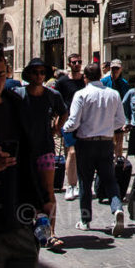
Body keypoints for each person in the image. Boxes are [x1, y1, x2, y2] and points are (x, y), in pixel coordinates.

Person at [0, 40, 48, 268]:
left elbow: (29, 157)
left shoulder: (16, 104)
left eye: (0, 74)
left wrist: (42, 203)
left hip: (20, 227)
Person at [63, 62, 128, 237]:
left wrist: (65, 128)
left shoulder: (81, 94)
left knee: (85, 181)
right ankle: (117, 209)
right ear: (100, 75)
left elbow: (74, 121)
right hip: (106, 142)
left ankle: (85, 220)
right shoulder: (113, 94)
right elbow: (121, 121)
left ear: (85, 77)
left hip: (86, 143)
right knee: (110, 179)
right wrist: (107, 127)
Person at [15, 58, 68, 250]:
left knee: (48, 190)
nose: (39, 76)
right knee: (25, 189)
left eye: (42, 73)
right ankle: (30, 227)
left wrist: (56, 128)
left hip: (45, 148)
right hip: (23, 152)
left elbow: (64, 112)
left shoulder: (52, 95)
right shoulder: (18, 95)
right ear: (28, 75)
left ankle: (51, 233)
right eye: (35, 72)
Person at [54, 52, 85, 201]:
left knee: (81, 154)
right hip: (68, 121)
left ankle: (79, 183)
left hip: (85, 122)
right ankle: (71, 185)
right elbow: (57, 103)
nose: (77, 64)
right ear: (69, 64)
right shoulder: (62, 82)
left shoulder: (85, 81)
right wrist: (57, 121)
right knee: (71, 152)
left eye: (79, 62)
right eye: (74, 62)